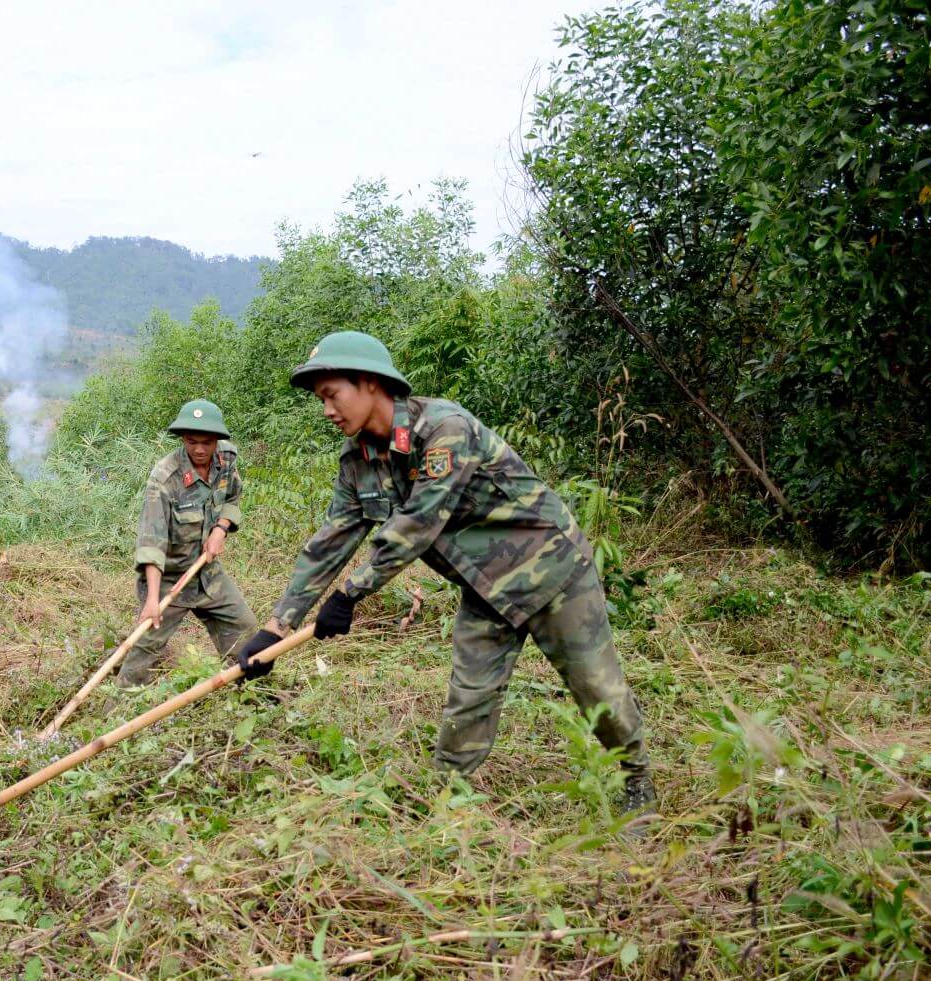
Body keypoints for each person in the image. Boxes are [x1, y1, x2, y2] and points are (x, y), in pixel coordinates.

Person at [234, 332, 657, 818]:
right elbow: (330, 540)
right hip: (485, 587)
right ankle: (451, 804)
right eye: (321, 400)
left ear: (370, 383)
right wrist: (276, 627)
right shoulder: (357, 461)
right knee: (468, 698)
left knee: (596, 687)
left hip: (552, 571)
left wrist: (351, 595)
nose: (327, 409)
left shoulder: (443, 430)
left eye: (332, 395)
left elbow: (418, 524)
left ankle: (638, 785)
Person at [116, 400, 258, 687]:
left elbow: (232, 498)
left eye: (207, 442)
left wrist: (221, 528)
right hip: (168, 579)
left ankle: (255, 699)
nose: (200, 449)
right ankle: (114, 719)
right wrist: (153, 600)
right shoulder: (164, 478)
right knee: (145, 650)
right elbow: (151, 543)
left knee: (246, 630)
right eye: (192, 442)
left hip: (206, 573)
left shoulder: (227, 459)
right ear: (183, 439)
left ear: (218, 440)